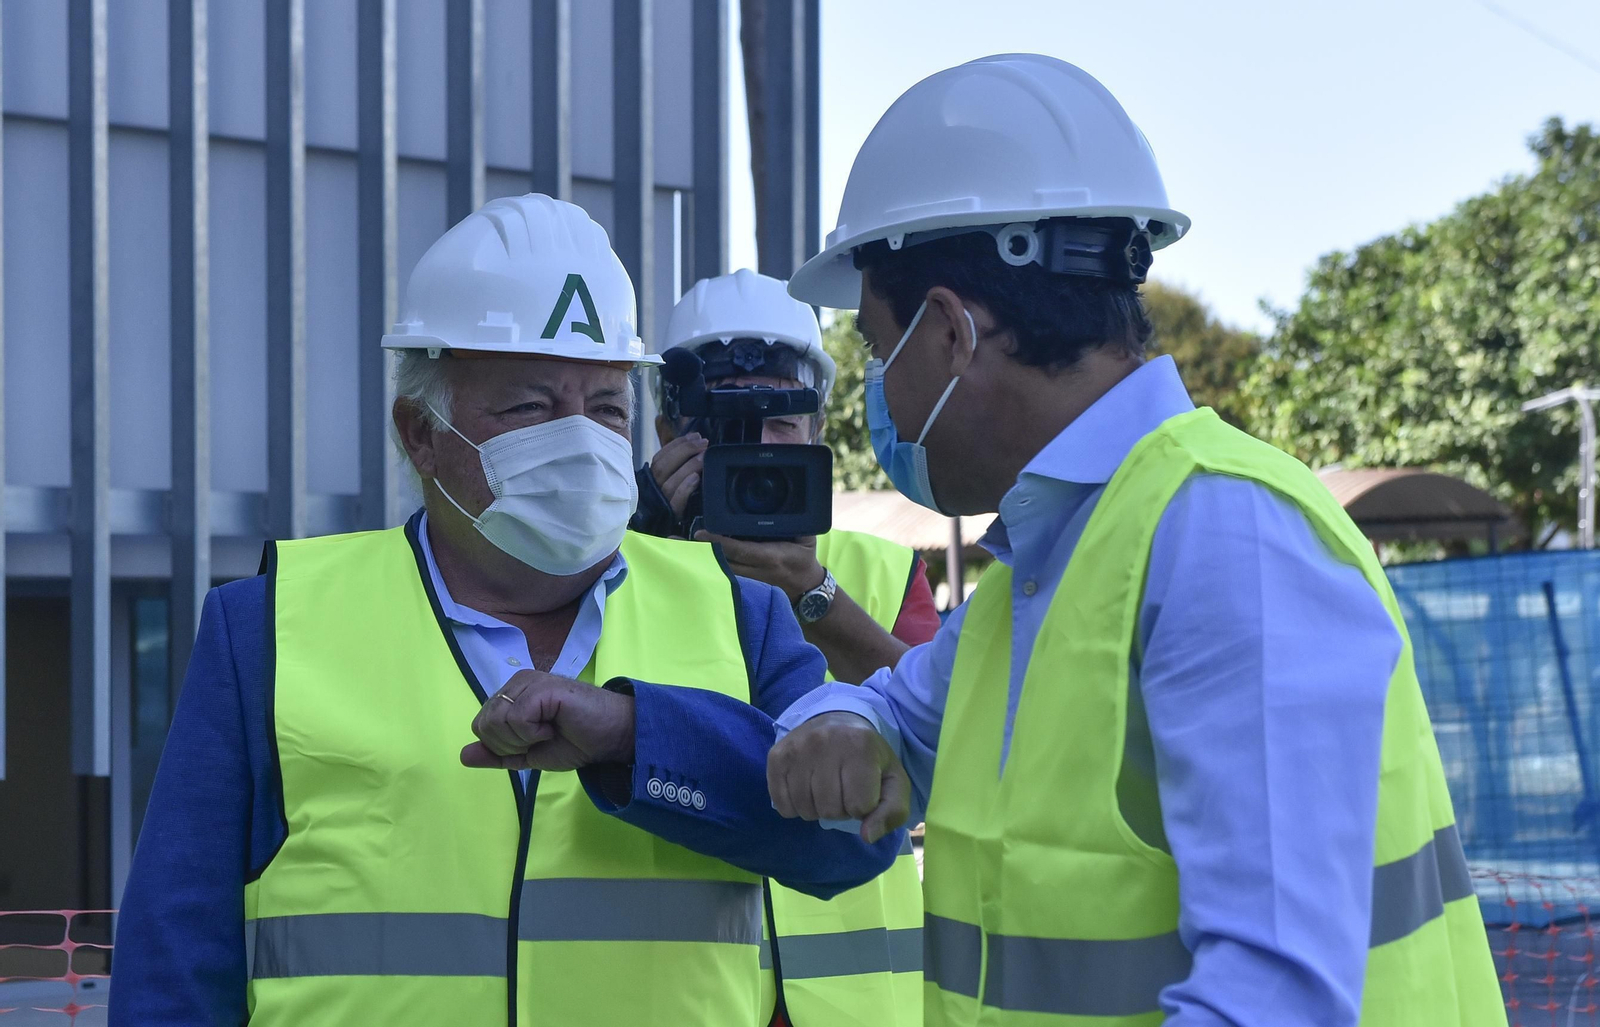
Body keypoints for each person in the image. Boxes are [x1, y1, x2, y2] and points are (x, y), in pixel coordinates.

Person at [765, 55, 1506, 1027]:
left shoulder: (1221, 539)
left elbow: (1274, 999)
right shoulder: (1057, 559)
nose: (878, 396)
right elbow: (894, 711)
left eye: (875, 347)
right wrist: (837, 726)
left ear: (949, 331)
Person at [110, 194, 903, 1027]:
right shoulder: (267, 629)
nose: (580, 439)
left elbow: (856, 835)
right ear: (420, 433)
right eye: (530, 407)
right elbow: (174, 964)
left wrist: (639, 736)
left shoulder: (742, 615)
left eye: (605, 409)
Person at [633, 268, 931, 1025]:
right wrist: (639, 545)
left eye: (780, 421)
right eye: (729, 423)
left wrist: (815, 595)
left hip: (856, 1002)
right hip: (685, 998)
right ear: (669, 433)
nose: (760, 447)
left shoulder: (884, 570)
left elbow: (948, 731)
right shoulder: (616, 566)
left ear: (817, 428)